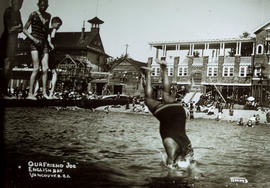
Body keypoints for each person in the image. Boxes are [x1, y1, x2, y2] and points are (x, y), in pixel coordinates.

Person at [140, 59, 193, 168]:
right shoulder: (172, 147)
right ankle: (148, 73)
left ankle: (163, 69)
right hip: (168, 114)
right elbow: (172, 165)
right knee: (149, 98)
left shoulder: (188, 149)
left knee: (165, 93)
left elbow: (192, 165)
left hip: (179, 110)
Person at [23, 0, 51, 100]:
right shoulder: (33, 14)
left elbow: (47, 31)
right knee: (36, 68)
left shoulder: (48, 16)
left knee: (45, 68)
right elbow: (24, 29)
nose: (43, 7)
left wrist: (49, 42)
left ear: (47, 6)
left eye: (45, 5)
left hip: (44, 43)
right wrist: (33, 39)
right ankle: (30, 93)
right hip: (34, 42)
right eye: (42, 5)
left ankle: (44, 93)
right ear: (38, 5)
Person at [0, 0, 24, 99]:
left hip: (13, 42)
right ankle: (2, 91)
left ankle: (4, 91)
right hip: (6, 40)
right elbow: (9, 29)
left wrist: (17, 27)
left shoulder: (18, 13)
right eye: (19, 2)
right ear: (13, 2)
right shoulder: (8, 11)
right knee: (6, 66)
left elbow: (22, 28)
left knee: (9, 68)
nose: (20, 5)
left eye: (21, 3)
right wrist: (17, 27)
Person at [47, 16, 62, 99]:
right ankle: (51, 93)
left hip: (46, 53)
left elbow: (48, 39)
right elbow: (51, 40)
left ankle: (37, 91)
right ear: (55, 23)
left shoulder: (47, 30)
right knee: (54, 73)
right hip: (51, 53)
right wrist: (52, 46)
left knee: (43, 73)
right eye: (58, 25)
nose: (59, 27)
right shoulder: (53, 30)